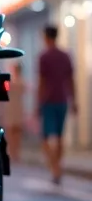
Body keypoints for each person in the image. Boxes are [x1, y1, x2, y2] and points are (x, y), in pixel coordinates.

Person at [38, 25, 76, 185]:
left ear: (46, 37)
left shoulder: (44, 56)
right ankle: (57, 166)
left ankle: (55, 168)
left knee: (46, 137)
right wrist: (74, 100)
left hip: (48, 100)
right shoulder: (66, 56)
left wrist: (38, 102)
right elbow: (71, 80)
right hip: (63, 100)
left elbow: (42, 81)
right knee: (59, 137)